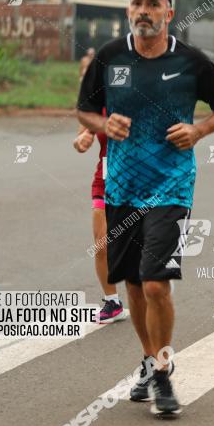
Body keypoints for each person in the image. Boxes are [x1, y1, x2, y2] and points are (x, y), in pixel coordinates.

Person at [77, 0, 214, 416]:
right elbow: (85, 109)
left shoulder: (191, 61)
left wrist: (199, 129)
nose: (143, 11)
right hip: (122, 186)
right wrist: (101, 125)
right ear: (129, 11)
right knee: (130, 280)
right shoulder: (110, 57)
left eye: (152, 3)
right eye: (137, 3)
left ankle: (163, 370)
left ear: (169, 12)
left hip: (171, 185)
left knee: (155, 282)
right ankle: (149, 359)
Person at [74, 53, 126, 324]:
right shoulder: (93, 109)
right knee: (102, 244)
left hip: (137, 181)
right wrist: (83, 138)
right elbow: (86, 133)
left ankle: (150, 293)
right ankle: (112, 301)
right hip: (104, 180)